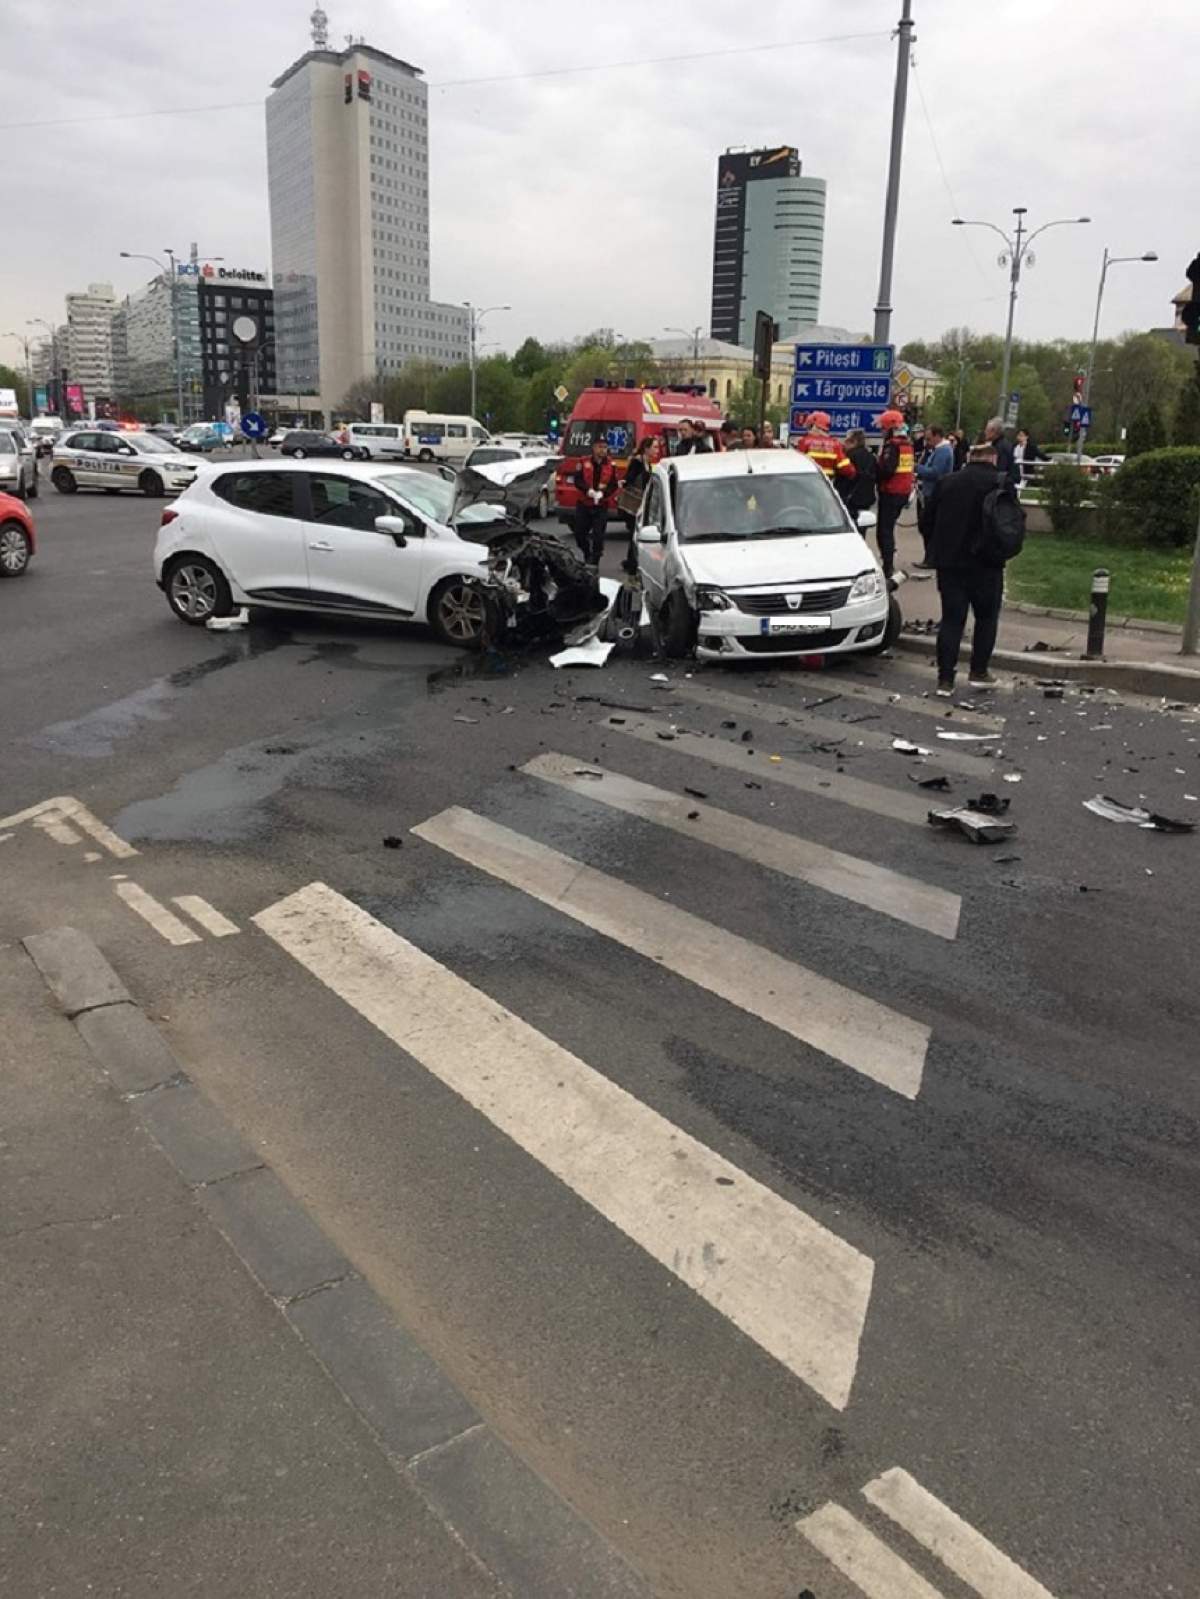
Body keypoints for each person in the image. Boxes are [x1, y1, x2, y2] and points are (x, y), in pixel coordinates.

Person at [927, 441, 1009, 693]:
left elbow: (926, 520)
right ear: (992, 459)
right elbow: (1011, 525)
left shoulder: (947, 482)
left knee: (952, 620)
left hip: (950, 563)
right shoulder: (1000, 483)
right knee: (986, 618)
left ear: (970, 458)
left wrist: (935, 548)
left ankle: (945, 679)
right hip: (987, 563)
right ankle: (979, 670)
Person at [873, 408, 915, 581]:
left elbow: (888, 469)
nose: (882, 431)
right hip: (903, 491)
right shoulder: (907, 444)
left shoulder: (893, 446)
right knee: (887, 529)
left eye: (883, 428)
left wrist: (875, 469)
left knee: (884, 531)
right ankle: (888, 562)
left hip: (891, 491)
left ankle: (888, 566)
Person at [571, 436, 619, 566]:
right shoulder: (583, 461)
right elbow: (578, 480)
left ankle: (594, 562)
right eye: (600, 447)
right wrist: (589, 491)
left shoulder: (611, 465)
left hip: (601, 505)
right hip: (584, 503)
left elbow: (614, 484)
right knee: (579, 533)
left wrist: (603, 493)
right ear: (593, 448)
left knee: (598, 536)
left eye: (605, 447)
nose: (602, 450)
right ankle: (586, 552)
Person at [915, 424, 955, 566]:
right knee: (926, 526)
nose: (927, 442)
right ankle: (930, 557)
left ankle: (931, 559)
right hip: (929, 491)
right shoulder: (937, 450)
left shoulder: (943, 451)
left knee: (929, 526)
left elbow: (935, 473)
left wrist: (917, 467)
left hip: (934, 493)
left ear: (938, 436)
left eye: (929, 438)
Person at [619, 436, 660, 572]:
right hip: (632, 505)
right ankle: (632, 563)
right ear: (646, 448)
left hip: (641, 505)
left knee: (635, 533)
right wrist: (624, 482)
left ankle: (631, 561)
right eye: (654, 447)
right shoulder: (638, 461)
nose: (657, 451)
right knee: (635, 532)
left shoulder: (649, 463)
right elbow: (629, 477)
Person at [792, 410, 856, 488]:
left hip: (806, 488)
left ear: (814, 426)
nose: (808, 431)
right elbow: (848, 470)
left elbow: (796, 468)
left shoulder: (804, 442)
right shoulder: (835, 445)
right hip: (825, 491)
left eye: (809, 427)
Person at [840, 428, 878, 518]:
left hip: (850, 499)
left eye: (846, 441)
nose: (844, 444)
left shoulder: (848, 457)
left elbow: (843, 478)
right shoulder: (871, 457)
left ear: (854, 442)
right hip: (867, 499)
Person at [984, 416, 1018, 487]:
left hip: (1001, 487)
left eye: (987, 429)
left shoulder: (999, 448)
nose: (985, 432)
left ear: (993, 431)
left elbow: (1001, 470)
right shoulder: (1005, 444)